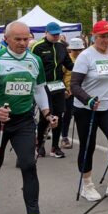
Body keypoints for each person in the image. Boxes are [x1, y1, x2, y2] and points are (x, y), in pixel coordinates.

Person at [0, 21, 57, 214]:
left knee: (29, 164)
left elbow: (39, 89)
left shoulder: (35, 60)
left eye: (26, 39)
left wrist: (46, 110)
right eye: (18, 39)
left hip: (23, 120)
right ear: (7, 39)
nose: (23, 43)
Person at [70, 20, 108, 201]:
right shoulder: (85, 56)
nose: (105, 40)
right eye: (102, 36)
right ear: (94, 36)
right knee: (89, 146)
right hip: (87, 108)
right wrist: (88, 99)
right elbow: (74, 85)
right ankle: (87, 185)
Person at [31, 21, 74, 159]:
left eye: (57, 34)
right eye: (53, 34)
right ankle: (39, 145)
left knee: (59, 116)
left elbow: (69, 65)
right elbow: (31, 66)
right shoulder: (38, 47)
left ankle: (55, 147)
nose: (56, 37)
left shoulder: (62, 47)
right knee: (46, 116)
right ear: (46, 33)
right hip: (43, 85)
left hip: (58, 86)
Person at [61, 37, 85, 149]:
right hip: (69, 92)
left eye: (80, 49)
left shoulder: (85, 59)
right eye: (76, 50)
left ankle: (84, 138)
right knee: (67, 115)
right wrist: (64, 89)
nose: (78, 52)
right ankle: (64, 137)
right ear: (70, 50)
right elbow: (61, 76)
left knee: (81, 116)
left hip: (82, 92)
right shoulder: (67, 60)